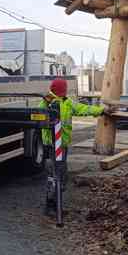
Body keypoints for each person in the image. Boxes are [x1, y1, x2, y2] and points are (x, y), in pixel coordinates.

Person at [39, 78, 74, 215]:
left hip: (62, 145)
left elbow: (83, 108)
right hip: (53, 146)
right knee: (57, 176)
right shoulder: (46, 102)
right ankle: (52, 206)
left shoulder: (67, 102)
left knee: (59, 175)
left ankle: (55, 206)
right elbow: (39, 112)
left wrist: (101, 110)